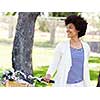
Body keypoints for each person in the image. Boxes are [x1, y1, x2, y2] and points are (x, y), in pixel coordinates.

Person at [44, 15, 90, 87]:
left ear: (78, 29)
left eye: (70, 27)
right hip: (65, 84)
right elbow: (54, 63)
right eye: (67, 27)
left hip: (81, 85)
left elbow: (85, 67)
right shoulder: (61, 46)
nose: (67, 30)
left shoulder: (86, 47)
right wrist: (48, 75)